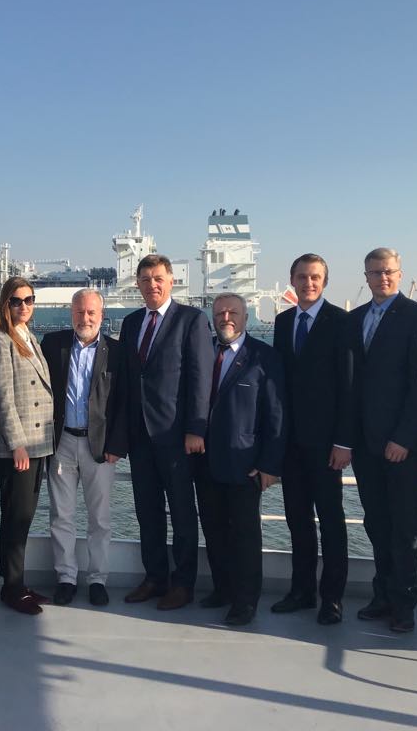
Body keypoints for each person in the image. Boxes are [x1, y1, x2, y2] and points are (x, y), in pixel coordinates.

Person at [106, 254, 214, 610]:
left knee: (182, 513)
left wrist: (196, 429)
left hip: (177, 437)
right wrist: (120, 437)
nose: (151, 285)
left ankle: (182, 584)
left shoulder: (192, 320)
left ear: (171, 281)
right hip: (140, 438)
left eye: (158, 278)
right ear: (137, 284)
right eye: (145, 279)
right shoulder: (132, 322)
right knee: (147, 512)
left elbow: (201, 378)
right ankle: (154, 578)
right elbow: (127, 382)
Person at [346, 247, 417, 633]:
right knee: (376, 524)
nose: (382, 277)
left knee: (405, 527)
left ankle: (403, 604)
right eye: (375, 272)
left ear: (399, 274)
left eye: (389, 271)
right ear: (365, 276)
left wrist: (405, 438)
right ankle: (382, 595)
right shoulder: (354, 319)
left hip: (402, 447)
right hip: (366, 446)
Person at [271, 254, 353, 625]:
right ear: (292, 279)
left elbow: (348, 384)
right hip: (291, 443)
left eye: (315, 277)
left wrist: (344, 442)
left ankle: (331, 598)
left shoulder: (341, 322)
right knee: (297, 519)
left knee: (331, 521)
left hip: (326, 444)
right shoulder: (283, 321)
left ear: (324, 281)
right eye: (302, 277)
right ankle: (301, 590)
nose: (308, 283)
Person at [195, 293, 286, 626]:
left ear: (246, 317)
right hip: (205, 461)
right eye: (220, 312)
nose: (226, 318)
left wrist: (270, 464)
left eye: (233, 312)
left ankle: (246, 601)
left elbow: (276, 415)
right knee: (214, 529)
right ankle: (222, 589)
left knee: (245, 535)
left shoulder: (264, 357)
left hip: (245, 463)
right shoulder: (204, 353)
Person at [40, 289, 120, 607]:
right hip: (62, 442)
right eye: (79, 312)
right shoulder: (53, 345)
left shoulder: (116, 351)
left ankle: (98, 579)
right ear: (71, 313)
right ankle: (66, 578)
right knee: (61, 514)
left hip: (100, 447)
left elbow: (125, 401)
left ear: (101, 315)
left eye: (90, 312)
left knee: (100, 517)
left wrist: (117, 445)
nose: (84, 318)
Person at [0, 277, 54, 615]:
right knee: (17, 515)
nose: (23, 306)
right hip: (19, 446)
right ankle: (11, 588)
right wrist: (18, 445)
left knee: (22, 516)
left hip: (38, 443)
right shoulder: (1, 341)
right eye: (16, 301)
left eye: (29, 300)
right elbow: (1, 398)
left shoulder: (29, 337)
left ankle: (16, 582)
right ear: (5, 304)